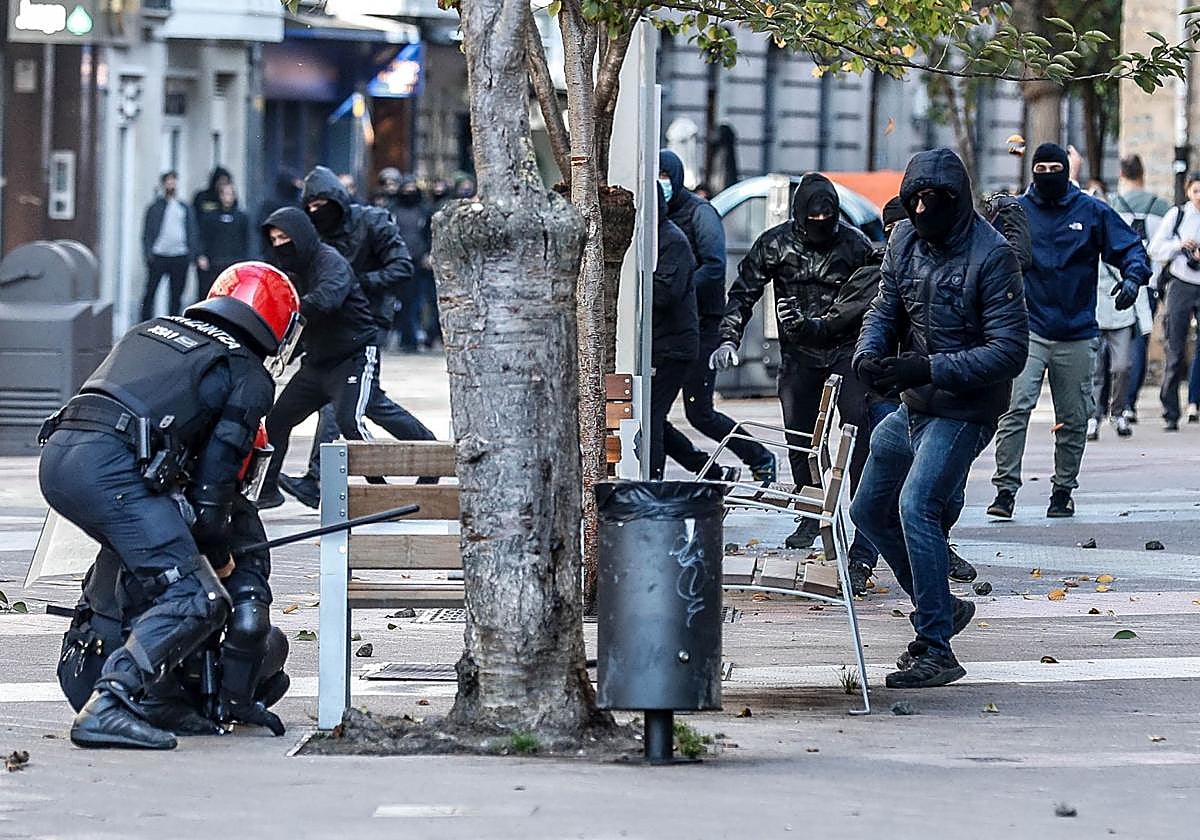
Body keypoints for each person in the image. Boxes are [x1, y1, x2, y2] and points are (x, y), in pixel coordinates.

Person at [38, 261, 301, 749]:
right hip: (111, 472)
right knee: (195, 595)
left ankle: (160, 703)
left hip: (59, 458)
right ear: (279, 325)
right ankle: (109, 704)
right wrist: (219, 553)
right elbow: (214, 486)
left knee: (157, 575)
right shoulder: (246, 371)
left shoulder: (154, 330)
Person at [851, 148, 1030, 689]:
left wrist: (927, 366)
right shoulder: (904, 239)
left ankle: (936, 646)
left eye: (935, 201)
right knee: (869, 511)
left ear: (956, 200)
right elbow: (884, 310)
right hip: (914, 403)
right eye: (915, 201)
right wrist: (870, 356)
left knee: (917, 505)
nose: (924, 211)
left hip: (965, 409)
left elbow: (1010, 351)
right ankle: (941, 607)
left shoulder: (992, 255)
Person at [988, 143, 1151, 520]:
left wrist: (1132, 280)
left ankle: (1062, 490)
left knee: (1075, 416)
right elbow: (985, 257)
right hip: (1025, 328)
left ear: (1065, 170)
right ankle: (1005, 490)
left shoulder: (1090, 211)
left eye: (1053, 168)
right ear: (1032, 171)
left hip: (1076, 330)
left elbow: (1131, 248)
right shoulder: (1017, 213)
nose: (1047, 174)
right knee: (1015, 408)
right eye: (1040, 167)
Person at [711, 172, 873, 549]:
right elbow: (743, 292)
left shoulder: (854, 244)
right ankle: (810, 513)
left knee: (858, 430)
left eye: (826, 221)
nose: (820, 227)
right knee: (801, 439)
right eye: (812, 221)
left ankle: (864, 518)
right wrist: (728, 337)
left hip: (845, 349)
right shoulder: (775, 243)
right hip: (799, 354)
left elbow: (877, 293)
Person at [266, 168, 436, 509]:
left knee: (343, 410)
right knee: (367, 402)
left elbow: (401, 267)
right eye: (310, 206)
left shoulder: (371, 222)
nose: (317, 211)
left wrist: (356, 283)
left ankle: (325, 480)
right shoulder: (313, 239)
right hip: (328, 331)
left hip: (366, 323)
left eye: (323, 203)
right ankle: (427, 449)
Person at [658, 149, 775, 483]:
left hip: (703, 324)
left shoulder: (699, 213)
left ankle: (759, 457)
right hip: (669, 327)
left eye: (666, 177)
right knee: (652, 415)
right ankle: (709, 469)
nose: (661, 184)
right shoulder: (657, 214)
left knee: (700, 412)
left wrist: (679, 291)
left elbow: (714, 266)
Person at [649, 182, 700, 478]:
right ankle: (709, 468)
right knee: (655, 417)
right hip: (665, 343)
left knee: (653, 417)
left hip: (673, 346)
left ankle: (653, 483)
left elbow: (665, 293)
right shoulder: (658, 238)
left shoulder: (671, 241)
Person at [1149, 174, 1200, 431]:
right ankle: (1170, 410)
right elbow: (1155, 248)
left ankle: (1195, 402)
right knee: (1175, 346)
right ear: (1188, 191)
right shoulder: (1177, 216)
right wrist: (1181, 245)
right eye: (1196, 191)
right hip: (1181, 283)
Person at [140, 171, 201, 321]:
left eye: (173, 182)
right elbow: (147, 233)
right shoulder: (155, 207)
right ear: (163, 185)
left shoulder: (184, 207)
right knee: (150, 293)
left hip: (180, 256)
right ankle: (144, 322)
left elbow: (192, 231)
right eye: (168, 182)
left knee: (176, 295)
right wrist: (148, 254)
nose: (171, 185)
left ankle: (173, 323)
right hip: (159, 255)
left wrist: (192, 254)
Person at [197, 182, 251, 299]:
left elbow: (247, 239)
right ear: (220, 196)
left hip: (234, 263)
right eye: (225, 194)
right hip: (214, 262)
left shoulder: (241, 217)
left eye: (230, 194)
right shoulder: (210, 217)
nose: (227, 198)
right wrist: (201, 255)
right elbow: (202, 237)